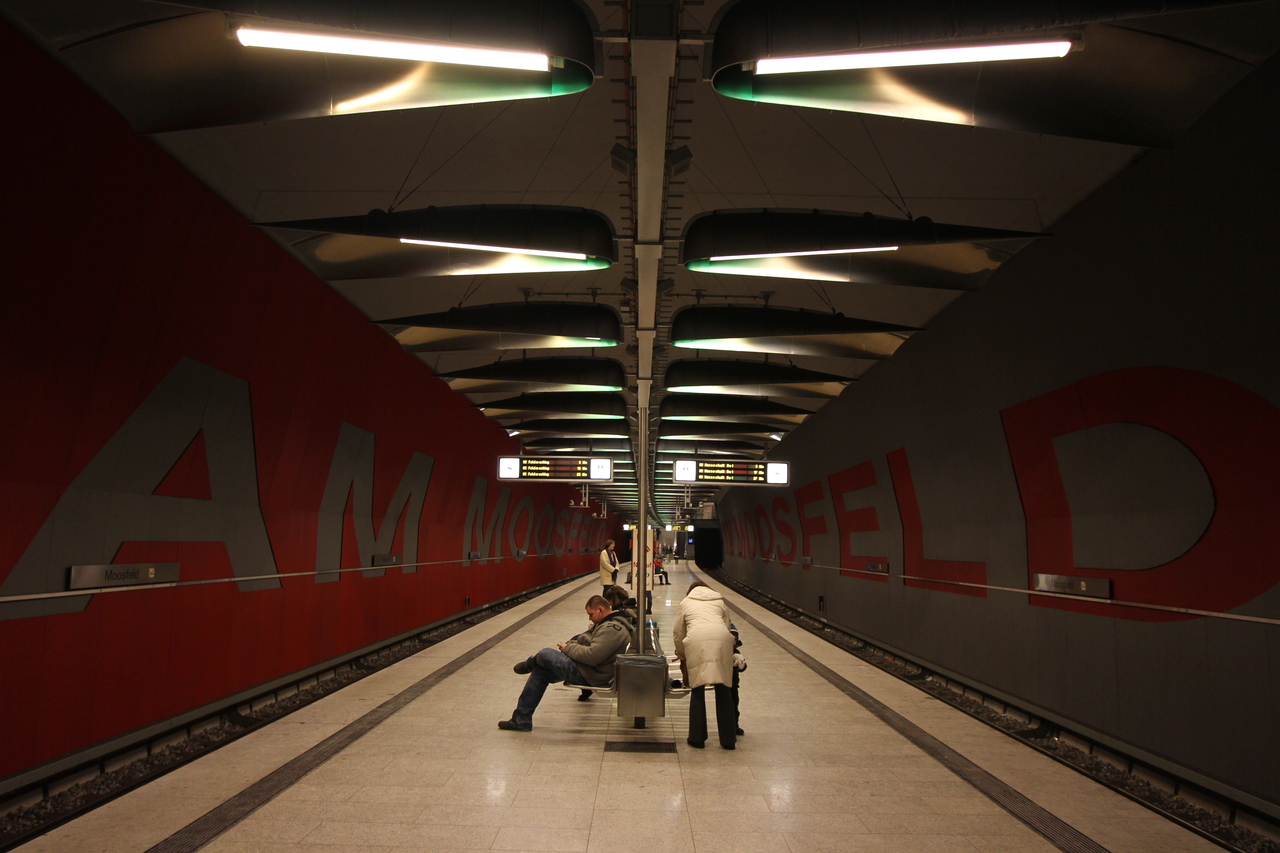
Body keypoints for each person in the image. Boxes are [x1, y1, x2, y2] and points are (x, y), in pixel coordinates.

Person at [499, 595, 631, 731]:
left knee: (545, 654)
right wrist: (576, 644)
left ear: (600, 609)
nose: (589, 618)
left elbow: (592, 656)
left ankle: (529, 664)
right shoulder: (605, 624)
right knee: (540, 671)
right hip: (589, 669)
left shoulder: (612, 629)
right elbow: (583, 639)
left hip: (592, 675)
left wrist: (568, 648)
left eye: (591, 614)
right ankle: (521, 720)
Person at [672, 580, 736, 749]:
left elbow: (678, 632)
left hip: (696, 641)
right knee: (724, 689)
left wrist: (682, 653)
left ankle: (697, 738)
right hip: (722, 641)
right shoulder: (719, 601)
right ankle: (728, 740)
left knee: (698, 689)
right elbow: (727, 626)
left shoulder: (686, 603)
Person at [729, 623, 747, 736]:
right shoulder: (721, 651)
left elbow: (743, 667)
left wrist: (741, 665)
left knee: (734, 706)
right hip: (725, 683)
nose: (733, 642)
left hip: (734, 684)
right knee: (727, 707)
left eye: (735, 640)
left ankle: (735, 725)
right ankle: (729, 726)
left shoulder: (736, 652)